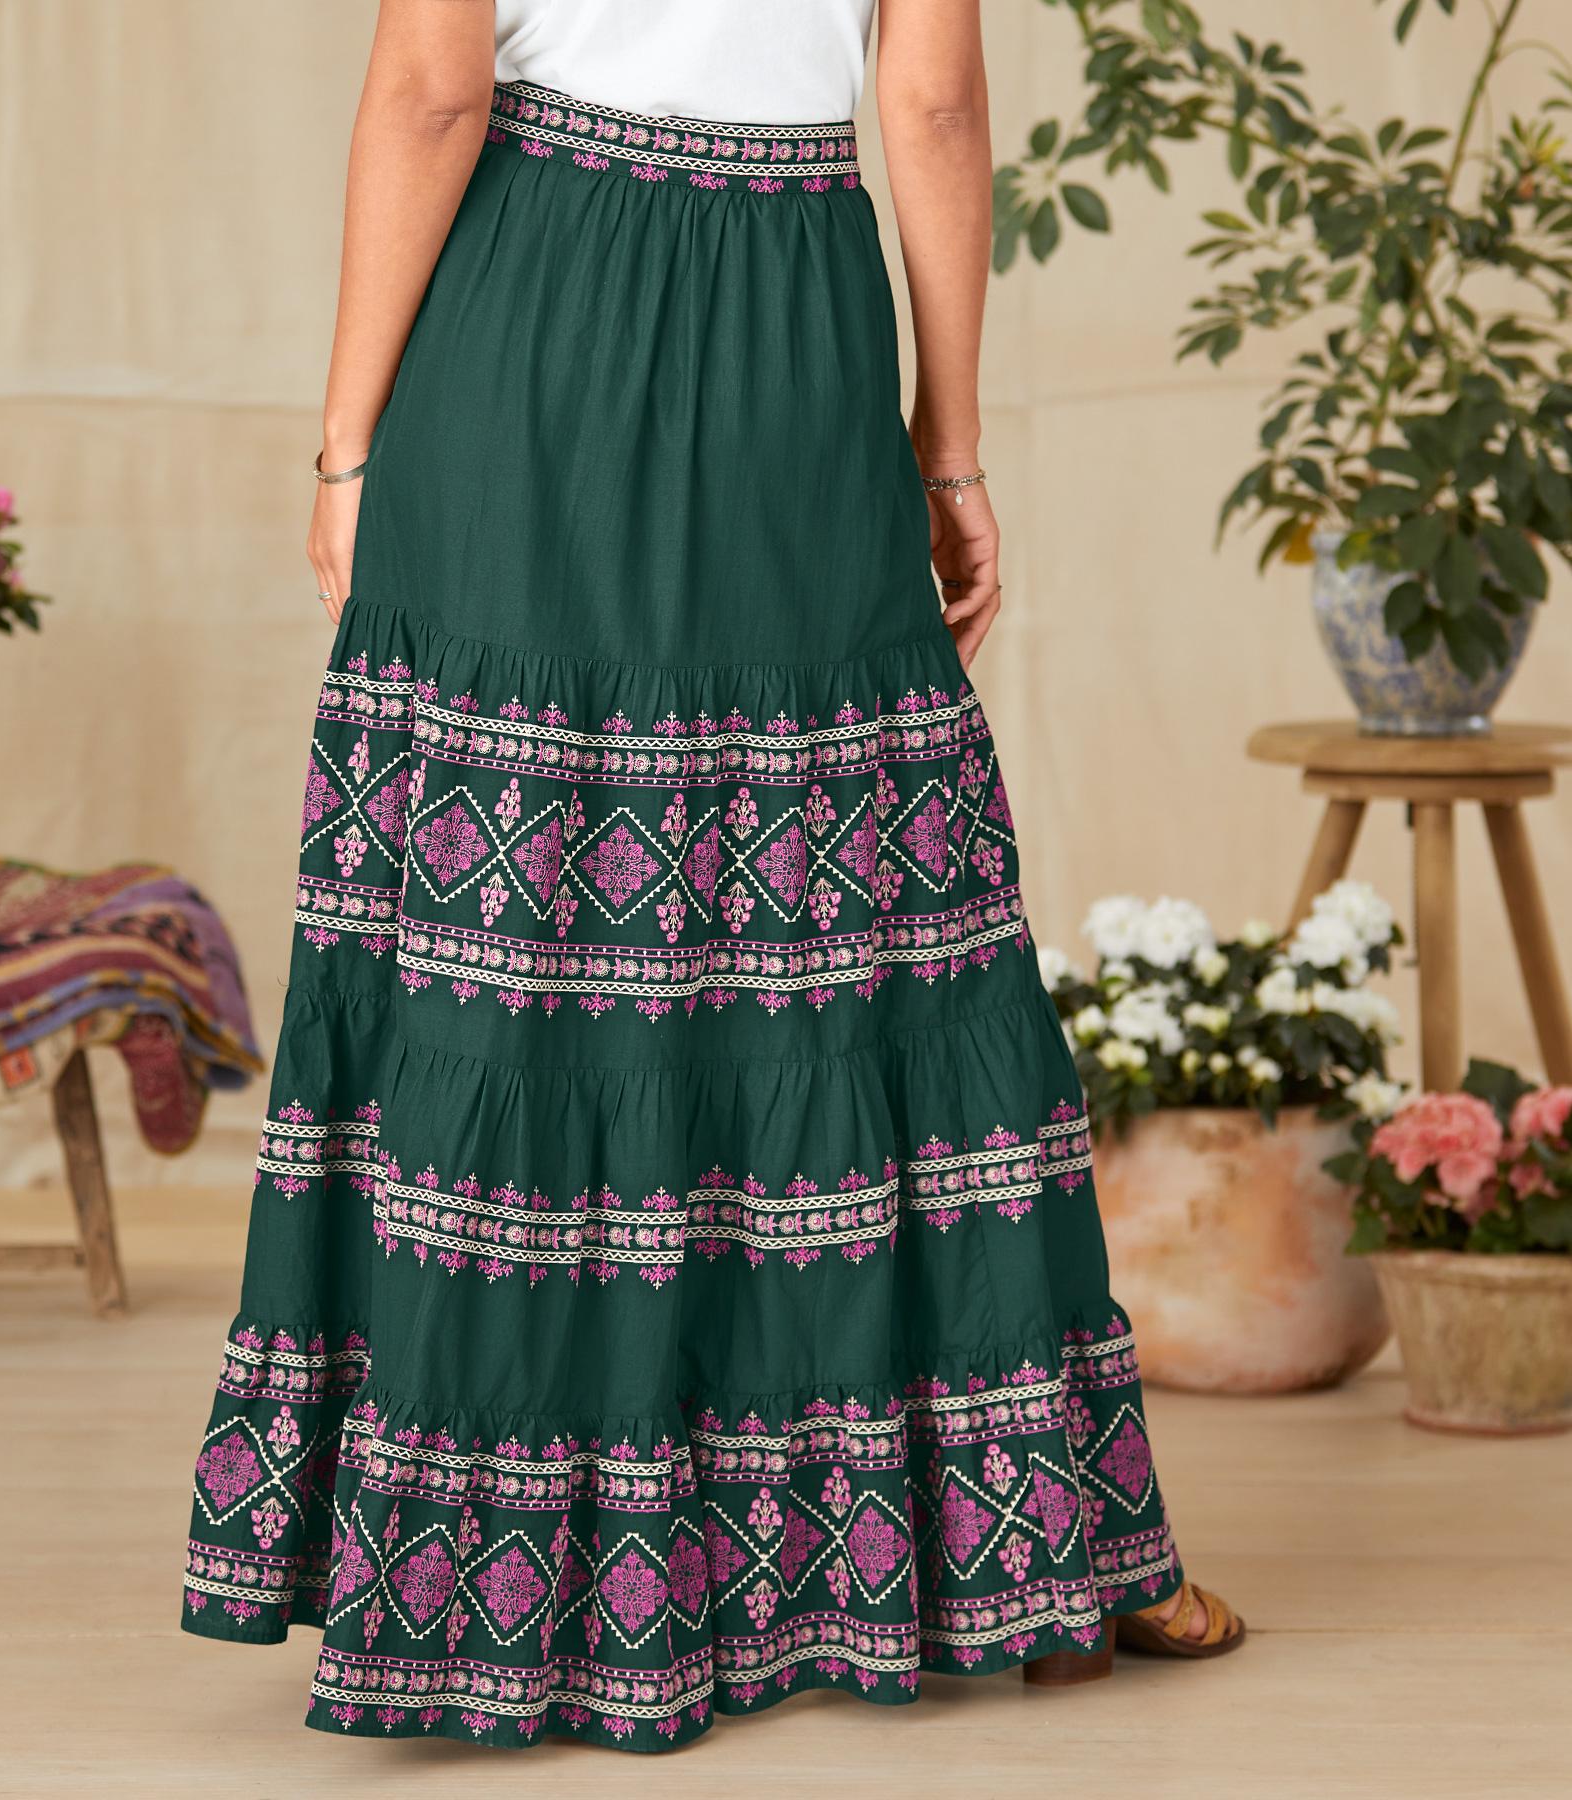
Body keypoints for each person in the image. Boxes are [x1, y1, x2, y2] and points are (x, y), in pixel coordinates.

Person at [180, 0, 1243, 1754]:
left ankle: (488, 1587)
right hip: (793, 316)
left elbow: (435, 93)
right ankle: (1027, 1546)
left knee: (525, 923)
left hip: (531, 326)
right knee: (863, 915)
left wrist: (347, 442)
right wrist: (950, 446)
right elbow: (934, 104)